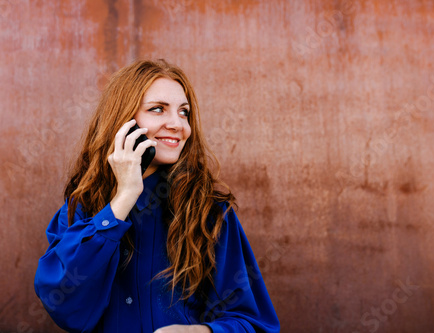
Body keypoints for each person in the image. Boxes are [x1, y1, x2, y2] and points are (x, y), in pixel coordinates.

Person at [34, 59, 280, 333]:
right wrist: (123, 200)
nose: (178, 124)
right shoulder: (82, 209)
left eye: (184, 112)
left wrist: (199, 332)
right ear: (123, 120)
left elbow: (253, 323)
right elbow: (64, 305)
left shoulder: (209, 212)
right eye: (158, 109)